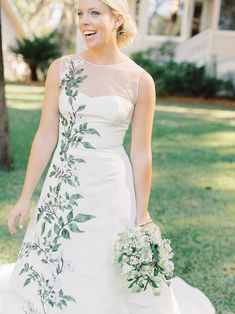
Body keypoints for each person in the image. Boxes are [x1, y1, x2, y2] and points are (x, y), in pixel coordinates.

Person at [0, 0, 216, 313]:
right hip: (62, 185)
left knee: (102, 261)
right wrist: (24, 197)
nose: (84, 21)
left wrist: (142, 214)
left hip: (112, 187)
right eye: (80, 13)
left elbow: (141, 151)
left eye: (94, 13)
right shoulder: (61, 70)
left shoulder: (141, 81)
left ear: (117, 19)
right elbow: (46, 135)